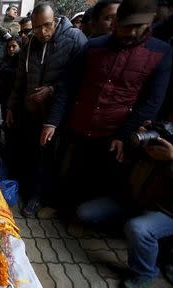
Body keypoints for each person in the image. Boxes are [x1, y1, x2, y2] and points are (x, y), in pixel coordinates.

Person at [44, 0, 172, 216]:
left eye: (137, 27)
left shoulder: (161, 53)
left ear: (149, 24)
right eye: (126, 26)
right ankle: (60, 208)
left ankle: (82, 218)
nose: (131, 32)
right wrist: (53, 120)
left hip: (115, 133)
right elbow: (67, 85)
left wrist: (124, 134)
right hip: (79, 124)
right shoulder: (94, 47)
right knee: (67, 170)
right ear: (116, 23)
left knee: (98, 179)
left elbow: (151, 102)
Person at [6, 2, 87, 218]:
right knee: (33, 153)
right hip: (31, 111)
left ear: (56, 20)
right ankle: (30, 190)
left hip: (57, 116)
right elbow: (20, 80)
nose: (42, 32)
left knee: (49, 157)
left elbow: (79, 79)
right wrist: (12, 107)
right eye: (37, 27)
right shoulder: (30, 43)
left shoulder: (75, 39)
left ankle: (40, 197)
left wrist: (51, 90)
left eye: (47, 26)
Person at [76, 123, 173, 288]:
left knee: (139, 229)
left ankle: (145, 273)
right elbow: (127, 160)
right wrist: (138, 140)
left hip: (165, 212)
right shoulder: (163, 130)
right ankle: (142, 241)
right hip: (134, 200)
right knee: (85, 212)